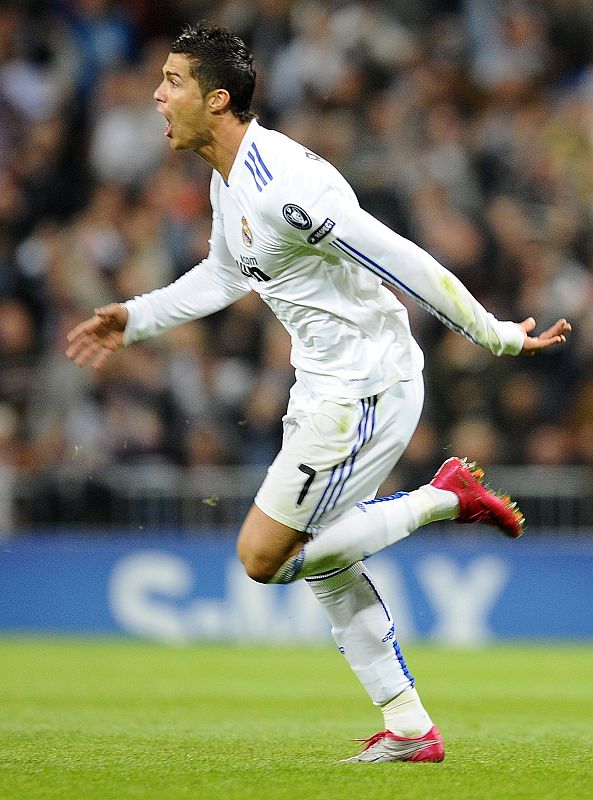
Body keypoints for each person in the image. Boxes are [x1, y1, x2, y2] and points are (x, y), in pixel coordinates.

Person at [66, 23, 571, 763]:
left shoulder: (286, 189)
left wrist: (491, 333)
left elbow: (399, 257)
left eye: (171, 81)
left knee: (262, 557)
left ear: (215, 99)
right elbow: (223, 274)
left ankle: (444, 497)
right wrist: (135, 318)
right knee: (327, 562)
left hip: (366, 389)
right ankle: (407, 728)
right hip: (323, 386)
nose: (156, 94)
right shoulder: (227, 178)